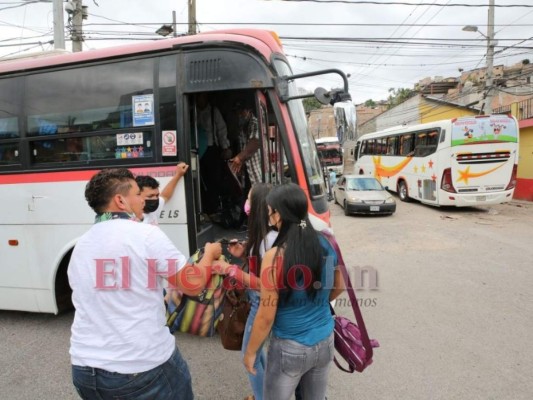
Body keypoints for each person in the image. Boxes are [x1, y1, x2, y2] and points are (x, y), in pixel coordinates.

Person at [68, 168, 221, 400]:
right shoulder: (146, 235)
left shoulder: (82, 244)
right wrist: (210, 253)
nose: (143, 200)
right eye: (138, 194)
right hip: (141, 368)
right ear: (120, 200)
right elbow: (193, 284)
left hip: (84, 369)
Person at [243, 183, 344, 400]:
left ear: (280, 214)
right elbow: (339, 286)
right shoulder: (327, 242)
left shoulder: (274, 257)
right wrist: (316, 306)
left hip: (289, 348)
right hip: (325, 340)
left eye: (270, 210)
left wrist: (250, 352)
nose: (268, 215)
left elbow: (266, 315)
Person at [216, 183, 276, 400]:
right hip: (258, 299)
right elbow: (261, 267)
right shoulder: (263, 233)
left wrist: (231, 270)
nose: (246, 202)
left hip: (261, 302)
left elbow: (267, 285)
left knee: (248, 355)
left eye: (250, 198)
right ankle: (267, 392)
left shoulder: (268, 240)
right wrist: (243, 254)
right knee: (258, 353)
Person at [196, 92, 232, 215]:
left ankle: (214, 208)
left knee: (213, 180)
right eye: (199, 97)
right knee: (200, 180)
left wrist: (225, 147)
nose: (201, 99)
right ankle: (203, 208)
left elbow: (222, 130)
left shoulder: (213, 111)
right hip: (197, 150)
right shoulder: (192, 111)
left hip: (211, 149)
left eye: (203, 97)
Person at [230, 102, 262, 187]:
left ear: (249, 111)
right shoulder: (241, 127)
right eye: (237, 113)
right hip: (247, 171)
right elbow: (241, 147)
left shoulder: (256, 123)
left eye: (241, 112)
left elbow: (255, 142)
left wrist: (240, 157)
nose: (239, 115)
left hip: (256, 170)